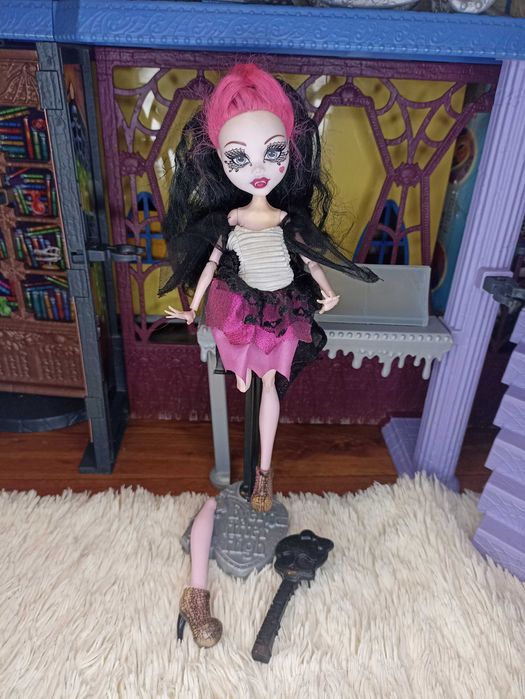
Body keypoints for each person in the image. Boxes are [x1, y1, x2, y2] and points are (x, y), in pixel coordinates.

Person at [160, 63, 378, 648]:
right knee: (246, 378)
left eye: (273, 153)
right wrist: (192, 308)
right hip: (244, 305)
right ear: (220, 161)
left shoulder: (285, 219)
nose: (259, 169)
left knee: (270, 389)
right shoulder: (229, 220)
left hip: (281, 307)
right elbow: (210, 265)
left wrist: (327, 291)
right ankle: (249, 440)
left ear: (290, 153)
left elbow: (307, 259)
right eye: (239, 159)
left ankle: (264, 471)